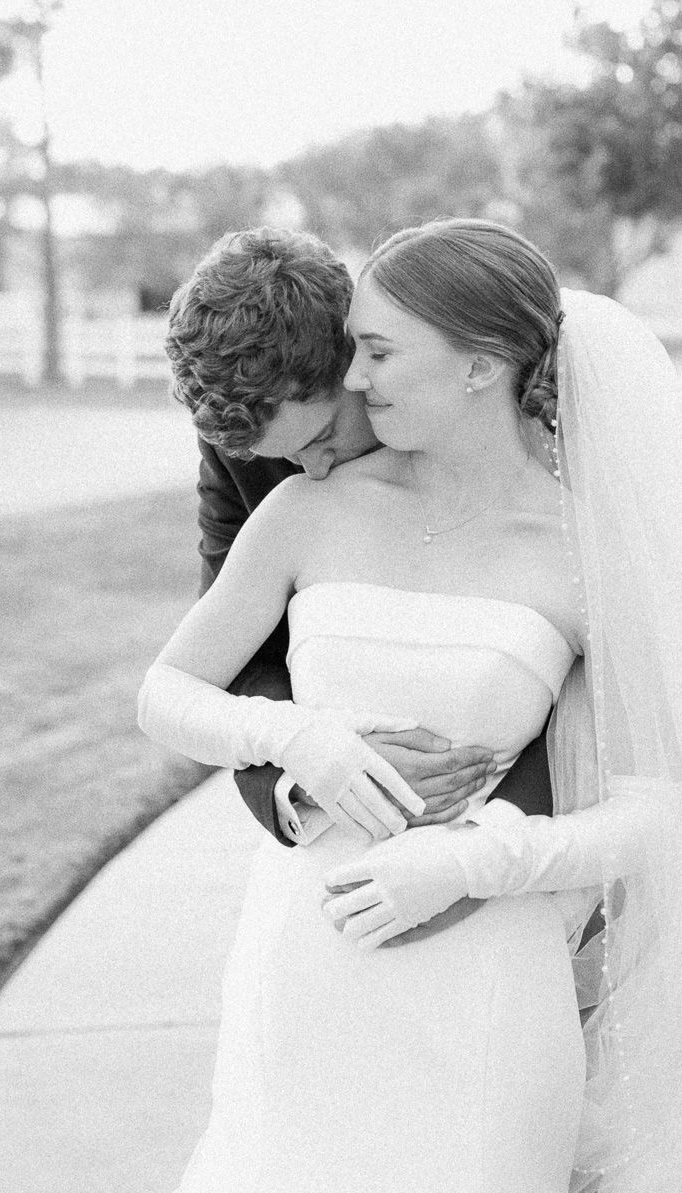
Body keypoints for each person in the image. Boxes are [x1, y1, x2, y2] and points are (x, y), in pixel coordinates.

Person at [140, 219, 682, 1193]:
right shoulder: (302, 507)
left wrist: (475, 856)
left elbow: (662, 802)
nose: (358, 378)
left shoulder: (585, 549)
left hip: (490, 970)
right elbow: (176, 688)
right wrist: (300, 742)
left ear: (479, 367)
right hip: (304, 963)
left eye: (378, 351)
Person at [166, 226, 556, 868]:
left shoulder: (488, 397)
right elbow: (241, 657)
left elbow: (580, 668)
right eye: (285, 458)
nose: (310, 471)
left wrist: (494, 842)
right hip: (335, 849)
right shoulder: (254, 461)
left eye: (320, 436)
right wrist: (318, 767)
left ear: (360, 354)